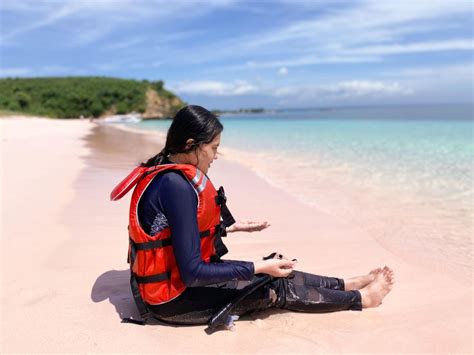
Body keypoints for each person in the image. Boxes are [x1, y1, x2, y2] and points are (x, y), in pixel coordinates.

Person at [110, 105, 394, 328]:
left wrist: (229, 228)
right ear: (190, 144)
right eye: (213, 148)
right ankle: (362, 300)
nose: (215, 156)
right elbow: (193, 272)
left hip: (177, 285)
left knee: (275, 268)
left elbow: (172, 234)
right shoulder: (175, 185)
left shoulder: (167, 174)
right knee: (273, 285)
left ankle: (345, 284)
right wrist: (257, 267)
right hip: (173, 300)